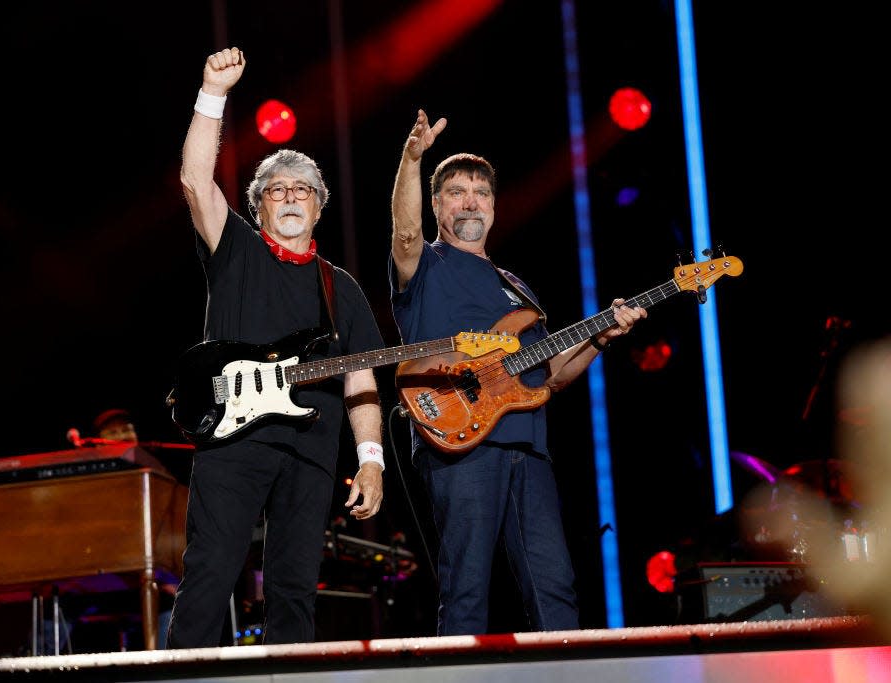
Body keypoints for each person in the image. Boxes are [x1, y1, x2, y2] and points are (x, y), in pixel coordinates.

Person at [388, 109, 647, 635]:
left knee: (555, 588)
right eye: (457, 192)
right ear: (437, 204)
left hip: (528, 446)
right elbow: (406, 233)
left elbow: (549, 376)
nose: (470, 202)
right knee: (466, 590)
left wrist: (599, 338)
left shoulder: (518, 288)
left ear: (494, 208)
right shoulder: (427, 266)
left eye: (481, 193)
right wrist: (412, 159)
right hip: (460, 439)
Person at [166, 46, 386, 648]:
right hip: (233, 440)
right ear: (259, 204)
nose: (290, 197)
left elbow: (362, 380)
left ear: (319, 205)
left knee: (294, 587)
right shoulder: (235, 247)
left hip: (313, 450)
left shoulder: (341, 289)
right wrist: (213, 91)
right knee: (210, 573)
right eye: (277, 189)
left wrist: (371, 459)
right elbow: (194, 179)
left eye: (303, 189)